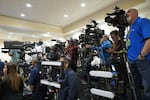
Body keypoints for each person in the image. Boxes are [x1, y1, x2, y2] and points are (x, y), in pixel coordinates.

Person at [126, 8, 150, 100]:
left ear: (135, 13)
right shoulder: (130, 29)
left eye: (128, 12)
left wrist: (142, 55)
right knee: (137, 88)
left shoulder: (142, 21)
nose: (126, 14)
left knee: (147, 88)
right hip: (133, 62)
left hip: (142, 61)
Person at [107, 30, 128, 100]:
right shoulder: (114, 43)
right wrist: (112, 52)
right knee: (119, 79)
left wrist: (113, 51)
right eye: (111, 37)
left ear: (117, 35)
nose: (112, 39)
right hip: (116, 64)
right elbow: (113, 52)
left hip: (122, 63)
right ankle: (121, 93)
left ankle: (125, 94)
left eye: (113, 37)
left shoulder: (122, 42)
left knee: (124, 79)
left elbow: (124, 52)